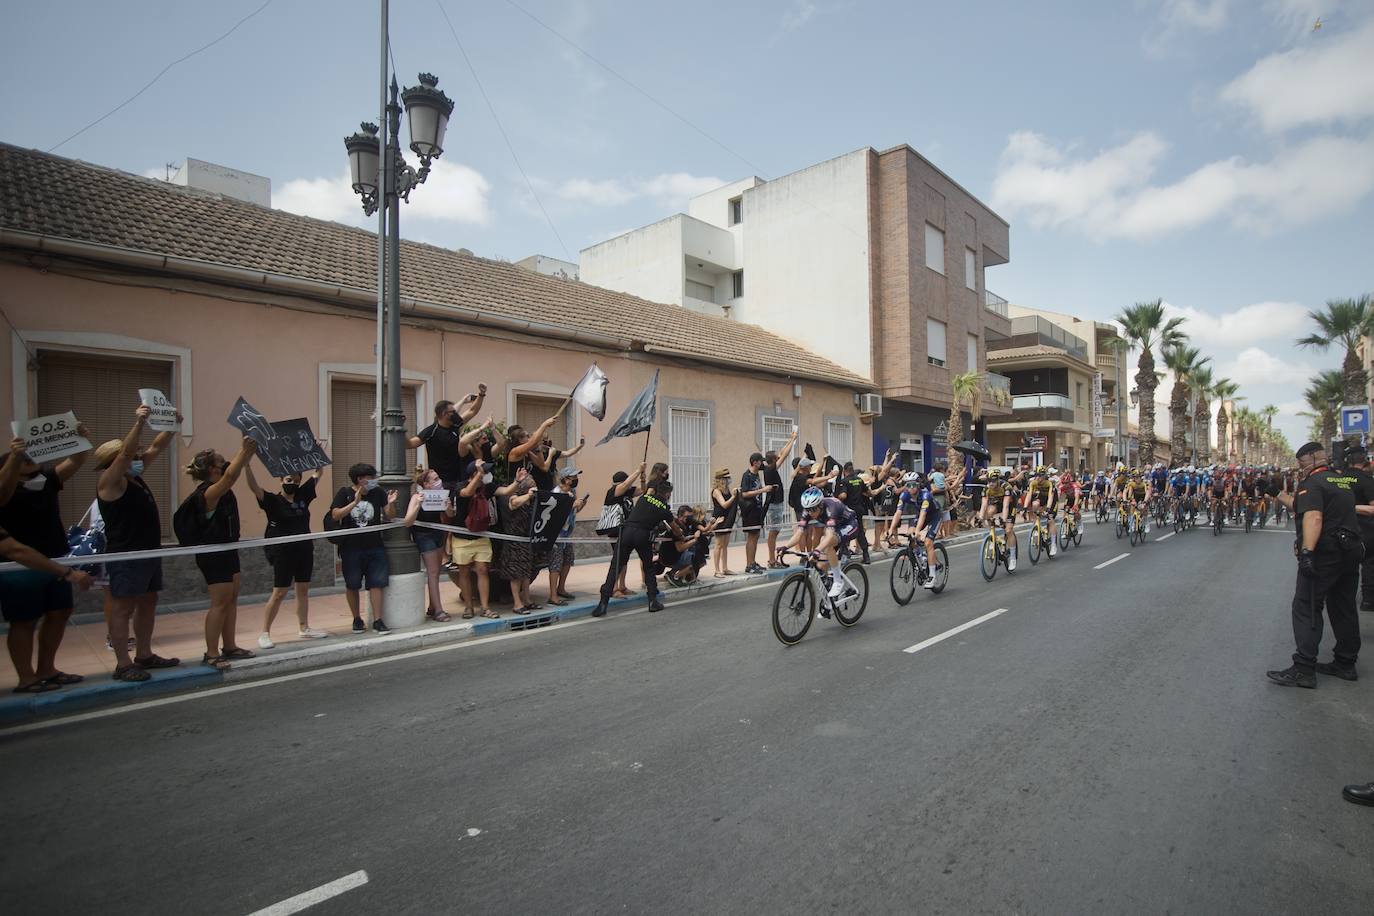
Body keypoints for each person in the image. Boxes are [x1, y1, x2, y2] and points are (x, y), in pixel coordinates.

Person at [0, 429, 93, 692]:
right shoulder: (6, 490)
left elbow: (76, 460)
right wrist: (14, 458)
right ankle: (26, 677)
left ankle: (46, 669)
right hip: (21, 566)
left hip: (55, 559)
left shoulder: (47, 480)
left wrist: (78, 438)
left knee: (59, 613)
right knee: (24, 621)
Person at [94, 404, 182, 682]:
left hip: (148, 553)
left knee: (148, 601)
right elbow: (125, 454)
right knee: (123, 607)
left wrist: (172, 425)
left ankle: (144, 653)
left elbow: (156, 447)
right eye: (133, 454)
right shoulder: (111, 482)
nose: (139, 456)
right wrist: (140, 422)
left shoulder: (135, 478)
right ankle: (123, 662)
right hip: (126, 555)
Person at [1266, 442, 1364, 688]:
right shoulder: (1339, 481)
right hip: (1349, 551)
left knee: (1306, 605)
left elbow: (1313, 516)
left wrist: (1307, 552)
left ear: (1311, 459)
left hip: (1325, 553)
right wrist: (1276, 492)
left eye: (1302, 464)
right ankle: (1345, 663)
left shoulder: (1313, 483)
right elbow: (1304, 507)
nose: (1300, 469)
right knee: (1343, 606)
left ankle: (1304, 667)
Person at [184, 439, 258, 668]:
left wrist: (247, 453)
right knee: (220, 602)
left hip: (228, 549)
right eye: (220, 461)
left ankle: (230, 645)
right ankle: (211, 652)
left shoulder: (222, 489)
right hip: (213, 553)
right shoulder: (209, 492)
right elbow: (229, 477)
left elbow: (232, 474)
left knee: (231, 598)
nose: (225, 463)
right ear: (211, 469)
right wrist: (242, 450)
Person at [244, 460, 327, 649]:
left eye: (297, 480)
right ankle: (265, 633)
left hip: (304, 550)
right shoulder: (273, 501)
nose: (293, 483)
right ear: (281, 479)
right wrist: (246, 465)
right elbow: (253, 487)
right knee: (280, 592)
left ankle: (304, 627)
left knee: (303, 589)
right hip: (283, 552)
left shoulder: (303, 495)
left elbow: (318, 473)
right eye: (289, 479)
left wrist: (315, 455)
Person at [594, 479, 684, 617]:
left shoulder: (644, 498)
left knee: (615, 567)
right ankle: (653, 601)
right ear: (668, 494)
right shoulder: (664, 508)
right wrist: (681, 536)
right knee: (648, 567)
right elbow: (674, 528)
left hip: (627, 532)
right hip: (643, 535)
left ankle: (603, 604)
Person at [329, 462, 398, 633]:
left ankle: (378, 620)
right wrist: (354, 502)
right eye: (370, 478)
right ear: (360, 479)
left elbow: (390, 516)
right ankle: (356, 619)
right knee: (352, 584)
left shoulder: (378, 492)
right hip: (351, 548)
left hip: (375, 545)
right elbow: (335, 514)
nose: (373, 481)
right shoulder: (344, 493)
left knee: (377, 583)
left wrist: (391, 503)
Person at [781, 487, 859, 602]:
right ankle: (831, 598)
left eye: (813, 509)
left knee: (827, 544)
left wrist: (817, 550)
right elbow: (799, 534)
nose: (810, 513)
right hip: (835, 527)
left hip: (850, 525)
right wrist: (785, 547)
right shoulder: (807, 511)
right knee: (821, 566)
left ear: (820, 505)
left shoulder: (831, 508)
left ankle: (838, 581)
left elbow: (830, 536)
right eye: (808, 509)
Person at [402, 466, 456, 622]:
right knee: (432, 573)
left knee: (436, 572)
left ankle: (433, 607)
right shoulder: (416, 497)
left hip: (438, 533)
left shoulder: (441, 495)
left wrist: (449, 507)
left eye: (438, 478)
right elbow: (407, 522)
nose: (439, 481)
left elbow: (450, 515)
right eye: (435, 479)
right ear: (426, 484)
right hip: (424, 535)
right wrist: (418, 504)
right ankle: (438, 610)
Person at [450, 459, 498, 619]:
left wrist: (519, 482)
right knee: (463, 572)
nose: (487, 475)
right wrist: (479, 475)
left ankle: (485, 608)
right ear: (473, 474)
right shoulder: (460, 486)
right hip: (462, 538)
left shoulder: (487, 487)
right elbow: (467, 493)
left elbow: (504, 491)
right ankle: (468, 607)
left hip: (482, 536)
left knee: (483, 570)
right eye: (484, 472)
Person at [406, 392, 485, 486]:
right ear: (444, 414)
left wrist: (481, 394)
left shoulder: (455, 425)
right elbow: (410, 444)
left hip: (458, 479)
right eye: (453, 412)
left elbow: (472, 411)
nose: (456, 414)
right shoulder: (431, 431)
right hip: (440, 482)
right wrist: (400, 428)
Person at [496, 467, 546, 613]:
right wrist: (529, 496)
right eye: (531, 486)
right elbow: (514, 504)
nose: (534, 489)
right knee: (516, 574)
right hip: (514, 541)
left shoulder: (531, 501)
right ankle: (517, 603)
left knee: (526, 573)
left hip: (526, 541)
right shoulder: (511, 496)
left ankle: (527, 600)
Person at [545, 467, 589, 606]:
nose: (575, 480)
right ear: (565, 479)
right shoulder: (556, 494)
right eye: (572, 477)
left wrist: (581, 505)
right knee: (555, 564)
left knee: (568, 560)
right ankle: (552, 596)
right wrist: (571, 505)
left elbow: (574, 511)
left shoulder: (571, 493)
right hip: (556, 534)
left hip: (567, 533)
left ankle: (561, 588)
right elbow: (555, 515)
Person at [601, 465, 644, 599]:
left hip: (626, 529)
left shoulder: (626, 492)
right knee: (618, 560)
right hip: (616, 530)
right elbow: (625, 485)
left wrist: (643, 478)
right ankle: (613, 588)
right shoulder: (613, 491)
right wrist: (638, 470)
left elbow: (643, 490)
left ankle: (622, 586)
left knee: (624, 560)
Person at [1344, 448, 1374, 614]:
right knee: (1369, 562)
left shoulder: (1338, 478)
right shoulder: (1367, 480)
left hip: (1341, 528)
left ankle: (1338, 596)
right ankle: (1368, 599)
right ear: (1365, 461)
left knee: (1343, 564)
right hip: (1365, 528)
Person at [762, 431, 798, 569]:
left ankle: (772, 560)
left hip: (776, 503)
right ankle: (771, 560)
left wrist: (791, 439)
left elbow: (782, 452)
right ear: (774, 460)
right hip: (775, 504)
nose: (779, 457)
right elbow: (785, 454)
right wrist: (793, 439)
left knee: (775, 531)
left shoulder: (768, 466)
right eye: (776, 457)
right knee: (774, 532)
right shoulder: (771, 469)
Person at [660, 506, 718, 586]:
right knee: (697, 560)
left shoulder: (686, 525)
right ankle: (674, 576)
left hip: (674, 555)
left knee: (698, 557)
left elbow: (703, 530)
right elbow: (680, 548)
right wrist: (695, 540)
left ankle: (676, 574)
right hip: (669, 557)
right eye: (687, 517)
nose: (689, 519)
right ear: (680, 516)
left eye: (690, 517)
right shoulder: (677, 527)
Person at [738, 453, 775, 574]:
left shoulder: (756, 474)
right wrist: (762, 490)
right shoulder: (747, 475)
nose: (762, 464)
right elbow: (744, 493)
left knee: (756, 536)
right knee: (751, 537)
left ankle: (753, 562)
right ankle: (749, 564)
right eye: (760, 462)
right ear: (755, 462)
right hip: (750, 510)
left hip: (757, 508)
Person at [709, 468, 740, 578]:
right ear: (722, 479)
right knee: (718, 545)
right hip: (720, 519)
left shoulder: (727, 490)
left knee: (725, 545)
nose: (729, 480)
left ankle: (725, 568)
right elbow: (724, 505)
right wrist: (733, 496)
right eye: (727, 478)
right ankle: (717, 570)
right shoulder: (716, 491)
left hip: (728, 518)